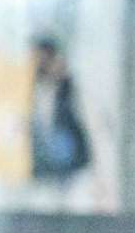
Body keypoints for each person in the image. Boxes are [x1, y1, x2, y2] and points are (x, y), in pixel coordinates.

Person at [28, 35, 94, 204]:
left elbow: (94, 129)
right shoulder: (36, 90)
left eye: (43, 59)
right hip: (46, 172)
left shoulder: (71, 89)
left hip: (73, 172)